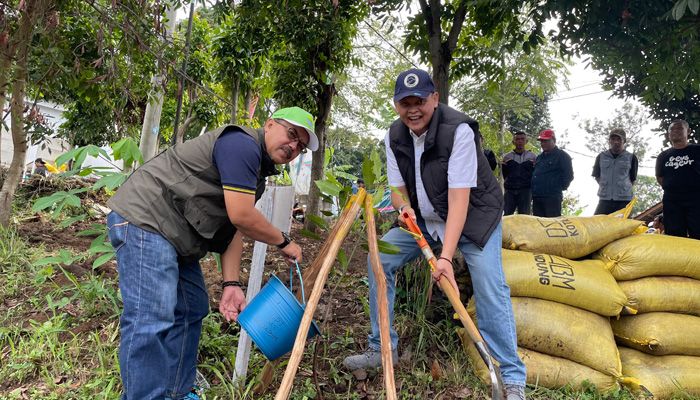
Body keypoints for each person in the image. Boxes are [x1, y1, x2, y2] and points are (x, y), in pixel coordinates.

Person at [106, 106, 318, 399]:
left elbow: (232, 230)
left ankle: (176, 392)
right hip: (147, 220)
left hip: (173, 234)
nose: (294, 146)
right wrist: (284, 241)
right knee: (151, 319)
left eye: (301, 146)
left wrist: (231, 284)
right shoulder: (241, 144)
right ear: (269, 125)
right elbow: (242, 216)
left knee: (192, 307)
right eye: (292, 134)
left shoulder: (256, 174)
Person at [342, 68, 526, 400]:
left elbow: (459, 201)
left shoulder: (459, 132)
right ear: (396, 105)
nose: (413, 109)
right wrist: (403, 208)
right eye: (405, 102)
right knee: (378, 258)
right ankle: (382, 347)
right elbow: (397, 190)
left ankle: (511, 376)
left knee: (489, 285)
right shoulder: (394, 137)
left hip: (472, 219)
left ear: (435, 99)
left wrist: (444, 258)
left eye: (420, 101)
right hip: (424, 221)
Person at [655, 119, 700, 239]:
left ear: (688, 131)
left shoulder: (697, 150)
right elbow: (659, 177)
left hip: (696, 199)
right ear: (668, 134)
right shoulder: (663, 156)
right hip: (672, 201)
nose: (675, 131)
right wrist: (674, 187)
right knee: (674, 236)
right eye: (672, 129)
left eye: (679, 128)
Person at [592, 128, 639, 215]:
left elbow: (632, 179)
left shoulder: (631, 158)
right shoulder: (601, 156)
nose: (616, 142)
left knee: (624, 227)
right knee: (597, 225)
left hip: (624, 201)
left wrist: (620, 189)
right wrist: (607, 186)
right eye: (613, 139)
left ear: (624, 141)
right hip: (605, 200)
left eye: (619, 139)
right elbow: (597, 176)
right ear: (609, 141)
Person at [531, 129, 573, 217]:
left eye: (546, 141)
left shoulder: (562, 156)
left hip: (552, 198)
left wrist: (557, 187)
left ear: (553, 140)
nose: (543, 143)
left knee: (552, 226)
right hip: (537, 197)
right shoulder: (539, 157)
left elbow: (569, 175)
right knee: (539, 226)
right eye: (541, 141)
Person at [502, 131, 536, 215]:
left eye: (522, 139)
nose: (520, 141)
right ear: (513, 141)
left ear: (526, 141)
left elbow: (535, 174)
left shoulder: (533, 157)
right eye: (517, 139)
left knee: (525, 216)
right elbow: (505, 174)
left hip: (526, 191)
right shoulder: (507, 157)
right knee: (507, 216)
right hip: (510, 191)